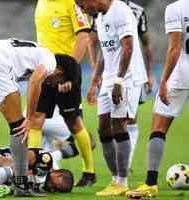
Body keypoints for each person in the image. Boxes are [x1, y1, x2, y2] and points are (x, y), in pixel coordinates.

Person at [0, 38, 81, 197]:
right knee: (19, 126)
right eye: (58, 82)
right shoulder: (51, 62)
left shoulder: (38, 53)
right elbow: (34, 81)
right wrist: (30, 118)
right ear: (60, 72)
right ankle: (21, 184)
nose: (53, 85)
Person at [77, 0, 147, 196]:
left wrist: (119, 80)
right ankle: (115, 179)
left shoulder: (121, 11)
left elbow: (128, 47)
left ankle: (122, 181)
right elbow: (105, 53)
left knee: (119, 124)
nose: (83, 10)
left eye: (82, 5)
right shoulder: (99, 17)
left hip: (127, 78)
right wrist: (95, 79)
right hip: (109, 77)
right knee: (103, 128)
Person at [126, 0, 189, 198]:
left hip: (181, 74)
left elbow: (175, 48)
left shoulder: (176, 8)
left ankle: (151, 184)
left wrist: (163, 81)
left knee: (159, 126)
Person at [32, 0, 97, 187]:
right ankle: (33, 169)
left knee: (74, 123)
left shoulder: (73, 3)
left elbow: (84, 37)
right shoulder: (41, 3)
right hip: (44, 71)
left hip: (64, 73)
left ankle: (89, 172)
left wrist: (70, 74)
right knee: (36, 118)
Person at [124, 0, 154, 170]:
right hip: (111, 73)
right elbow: (93, 40)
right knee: (107, 121)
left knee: (130, 117)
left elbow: (147, 45)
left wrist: (149, 74)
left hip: (134, 72)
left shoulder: (137, 11)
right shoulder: (100, 8)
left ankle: (126, 162)